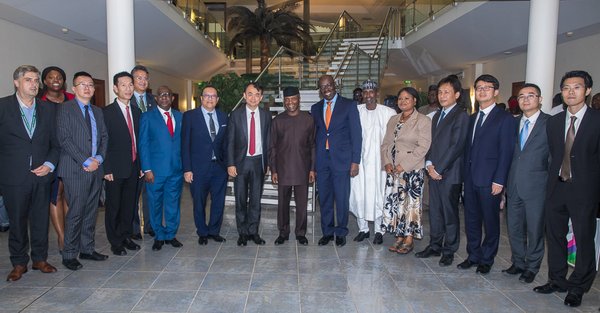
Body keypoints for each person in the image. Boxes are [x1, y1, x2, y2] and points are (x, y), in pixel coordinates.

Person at [534, 71, 599, 308]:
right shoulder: (554, 121)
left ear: (587, 90)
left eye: (577, 87)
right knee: (555, 237)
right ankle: (557, 279)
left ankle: (579, 285)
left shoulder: (596, 120)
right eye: (566, 88)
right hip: (557, 188)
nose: (571, 92)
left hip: (584, 191)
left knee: (583, 239)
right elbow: (554, 155)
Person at [0, 65, 59, 281]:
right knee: (16, 221)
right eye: (28, 80)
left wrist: (50, 164)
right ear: (17, 82)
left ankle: (40, 259)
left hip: (42, 175)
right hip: (13, 177)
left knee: (40, 220)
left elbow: (56, 144)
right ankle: (18, 263)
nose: (34, 84)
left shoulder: (48, 109)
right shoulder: (3, 107)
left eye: (36, 80)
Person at [458, 74, 516, 274]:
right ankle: (473, 255)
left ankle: (487, 259)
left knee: (491, 222)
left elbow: (506, 152)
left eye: (487, 88)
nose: (482, 91)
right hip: (471, 178)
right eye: (479, 88)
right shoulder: (472, 118)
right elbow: (468, 150)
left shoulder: (505, 118)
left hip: (491, 180)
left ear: (496, 92)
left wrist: (500, 180)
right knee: (471, 220)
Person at [57, 71, 109, 271]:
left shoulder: (97, 111)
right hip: (75, 168)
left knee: (90, 211)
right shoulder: (65, 110)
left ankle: (87, 249)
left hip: (96, 168)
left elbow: (104, 137)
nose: (87, 88)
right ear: (73, 88)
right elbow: (64, 140)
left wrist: (99, 158)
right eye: (82, 84)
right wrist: (85, 160)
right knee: (76, 212)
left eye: (90, 85)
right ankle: (69, 254)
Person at [415, 75, 469, 266]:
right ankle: (435, 245)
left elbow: (456, 146)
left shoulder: (461, 115)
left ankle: (449, 249)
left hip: (450, 173)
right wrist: (429, 163)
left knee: (449, 213)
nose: (442, 95)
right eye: (440, 92)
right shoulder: (438, 115)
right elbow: (432, 143)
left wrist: (439, 168)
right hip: (434, 171)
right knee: (435, 212)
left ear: (456, 94)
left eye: (446, 92)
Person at [503, 83, 550, 283]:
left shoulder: (550, 123)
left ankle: (532, 267)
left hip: (537, 186)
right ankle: (518, 262)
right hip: (513, 184)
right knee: (513, 227)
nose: (525, 99)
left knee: (534, 230)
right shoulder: (513, 123)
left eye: (531, 95)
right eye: (521, 96)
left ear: (540, 99)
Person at [311, 75, 362, 247]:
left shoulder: (349, 105)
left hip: (342, 161)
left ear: (335, 85)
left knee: (341, 198)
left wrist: (355, 161)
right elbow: (316, 135)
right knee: (324, 198)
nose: (326, 89)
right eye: (322, 86)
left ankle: (341, 231)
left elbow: (357, 135)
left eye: (329, 85)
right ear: (320, 89)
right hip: (322, 160)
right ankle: (327, 232)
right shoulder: (315, 108)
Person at [381, 87, 431, 254]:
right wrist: (387, 162)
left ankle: (409, 238)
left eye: (407, 98)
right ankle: (399, 236)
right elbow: (386, 144)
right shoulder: (393, 119)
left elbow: (423, 147)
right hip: (394, 170)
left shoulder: (422, 120)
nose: (402, 101)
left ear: (415, 100)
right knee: (397, 204)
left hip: (412, 170)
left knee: (411, 205)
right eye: (400, 98)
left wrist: (404, 165)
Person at [349, 80, 395, 244]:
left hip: (379, 164)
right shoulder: (356, 111)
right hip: (359, 162)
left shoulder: (388, 112)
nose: (368, 95)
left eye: (371, 92)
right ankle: (363, 229)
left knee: (379, 195)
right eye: (365, 92)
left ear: (376, 93)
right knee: (359, 194)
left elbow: (392, 140)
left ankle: (379, 231)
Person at [182, 86, 229, 245]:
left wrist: (228, 165)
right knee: (199, 202)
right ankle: (202, 232)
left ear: (217, 99)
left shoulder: (223, 117)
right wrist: (187, 169)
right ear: (201, 98)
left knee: (218, 201)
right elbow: (185, 144)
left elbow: (226, 143)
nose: (210, 99)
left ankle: (214, 231)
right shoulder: (190, 116)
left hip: (219, 168)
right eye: (207, 96)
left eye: (213, 96)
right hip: (198, 169)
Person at [269, 87, 315, 246]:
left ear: (299, 99)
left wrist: (312, 169)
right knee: (282, 204)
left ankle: (301, 233)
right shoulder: (277, 121)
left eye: (293, 99)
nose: (290, 103)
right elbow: (272, 147)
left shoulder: (308, 119)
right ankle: (283, 232)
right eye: (287, 100)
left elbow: (313, 146)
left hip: (302, 169)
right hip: (283, 170)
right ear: (284, 101)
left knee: (302, 204)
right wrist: (273, 170)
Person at [139, 85, 184, 251]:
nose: (164, 97)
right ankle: (159, 235)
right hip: (155, 172)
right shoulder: (147, 117)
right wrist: (147, 169)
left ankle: (171, 234)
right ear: (156, 98)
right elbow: (143, 145)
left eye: (168, 94)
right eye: (161, 95)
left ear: (172, 98)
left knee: (173, 204)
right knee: (155, 204)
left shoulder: (180, 117)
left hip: (176, 170)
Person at [227, 82, 271, 246]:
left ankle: (253, 232)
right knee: (240, 199)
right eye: (250, 94)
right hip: (240, 163)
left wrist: (269, 163)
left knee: (255, 200)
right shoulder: (235, 115)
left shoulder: (266, 115)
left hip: (258, 162)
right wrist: (230, 163)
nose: (253, 97)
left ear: (261, 97)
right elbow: (230, 141)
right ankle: (242, 233)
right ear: (244, 96)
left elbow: (268, 141)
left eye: (257, 94)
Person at [102, 72, 142, 256]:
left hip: (133, 166)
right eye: (123, 85)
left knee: (129, 205)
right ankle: (115, 241)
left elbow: (138, 140)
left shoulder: (136, 111)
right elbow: (103, 142)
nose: (128, 88)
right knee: (114, 207)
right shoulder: (106, 112)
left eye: (130, 85)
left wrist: (141, 165)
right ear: (115, 88)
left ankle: (126, 236)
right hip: (114, 169)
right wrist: (106, 167)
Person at [39, 66, 75, 252]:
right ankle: (62, 238)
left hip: (72, 153)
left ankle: (69, 234)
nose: (55, 79)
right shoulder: (39, 102)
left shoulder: (71, 99)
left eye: (59, 77)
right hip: (51, 154)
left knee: (69, 194)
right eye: (51, 77)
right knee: (56, 195)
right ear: (44, 81)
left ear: (64, 81)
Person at [130, 65, 156, 240]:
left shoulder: (153, 101)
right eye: (139, 78)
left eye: (145, 78)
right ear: (132, 80)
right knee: (132, 194)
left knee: (151, 193)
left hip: (152, 155)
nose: (143, 81)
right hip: (132, 156)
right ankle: (133, 228)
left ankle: (150, 225)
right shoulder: (126, 99)